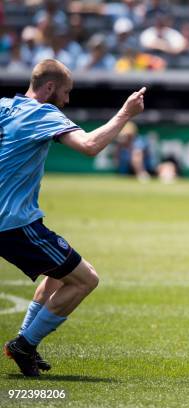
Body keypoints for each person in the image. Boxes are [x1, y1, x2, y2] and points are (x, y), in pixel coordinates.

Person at [0, 59, 146, 377]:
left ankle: (28, 347)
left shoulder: (4, 107)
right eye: (66, 93)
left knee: (58, 273)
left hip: (13, 221)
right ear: (50, 88)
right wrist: (126, 113)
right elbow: (90, 146)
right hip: (13, 224)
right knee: (86, 280)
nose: (66, 101)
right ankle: (24, 344)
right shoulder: (42, 113)